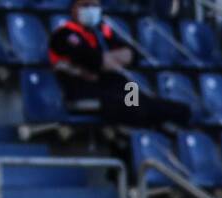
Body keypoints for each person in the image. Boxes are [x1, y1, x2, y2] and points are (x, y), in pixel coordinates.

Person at [47, 0, 191, 129]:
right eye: (85, 5)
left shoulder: (101, 34)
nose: (91, 9)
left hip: (114, 87)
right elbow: (95, 61)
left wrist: (108, 59)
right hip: (86, 92)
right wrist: (108, 59)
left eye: (95, 6)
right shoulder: (64, 35)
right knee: (136, 108)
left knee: (155, 103)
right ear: (73, 8)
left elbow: (132, 55)